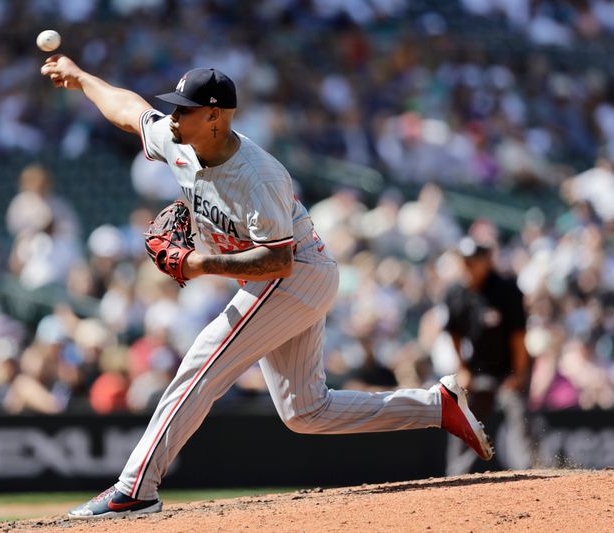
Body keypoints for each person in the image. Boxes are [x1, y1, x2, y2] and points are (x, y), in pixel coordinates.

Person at [40, 55, 494, 519]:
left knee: (201, 366)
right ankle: (435, 405)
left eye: (184, 109)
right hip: (284, 277)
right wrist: (81, 79)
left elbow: (277, 260)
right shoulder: (179, 140)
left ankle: (136, 488)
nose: (172, 117)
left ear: (214, 116)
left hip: (297, 273)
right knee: (305, 411)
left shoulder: (259, 176)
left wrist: (199, 265)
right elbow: (128, 110)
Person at [443, 235, 532, 474]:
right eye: (465, 260)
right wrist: (462, 368)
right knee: (463, 412)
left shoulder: (506, 289)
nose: (469, 265)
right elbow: (454, 334)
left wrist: (519, 374)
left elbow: (519, 336)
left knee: (516, 411)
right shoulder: (456, 292)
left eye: (474, 260)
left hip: (510, 367)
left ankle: (530, 471)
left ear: (487, 260)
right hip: (478, 367)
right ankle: (457, 476)